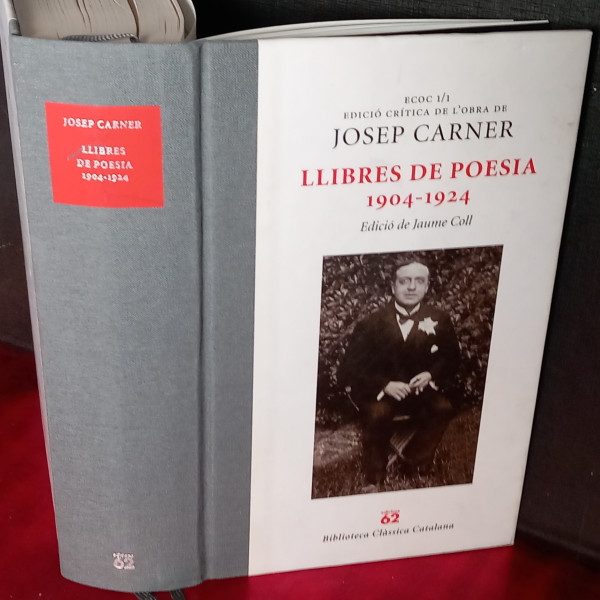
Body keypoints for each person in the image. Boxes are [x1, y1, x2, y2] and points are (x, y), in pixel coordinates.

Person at [337, 259, 461, 487]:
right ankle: (375, 476)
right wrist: (384, 384)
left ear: (427, 286)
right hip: (379, 391)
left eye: (419, 281)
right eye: (404, 281)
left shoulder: (439, 319)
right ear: (393, 286)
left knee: (442, 408)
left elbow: (452, 358)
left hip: (417, 391)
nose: (412, 287)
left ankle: (414, 463)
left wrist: (430, 375)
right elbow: (348, 369)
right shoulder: (371, 324)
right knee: (378, 414)